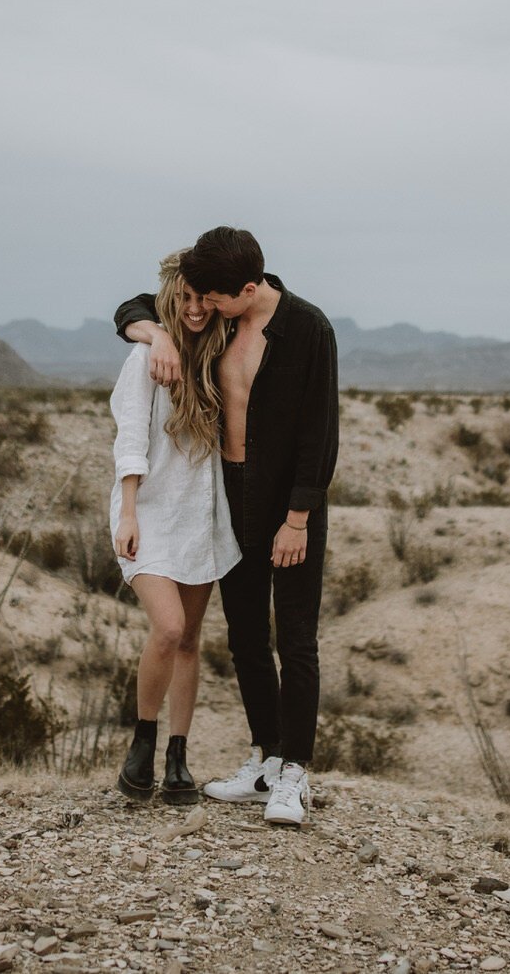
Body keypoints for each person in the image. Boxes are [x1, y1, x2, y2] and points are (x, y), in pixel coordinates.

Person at [114, 226, 338, 827]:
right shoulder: (215, 327)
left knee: (294, 639)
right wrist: (155, 330)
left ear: (244, 288)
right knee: (244, 640)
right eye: (197, 297)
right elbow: (136, 306)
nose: (202, 305)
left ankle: (294, 772)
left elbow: (321, 432)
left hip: (290, 507)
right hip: (228, 499)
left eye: (212, 296)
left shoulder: (308, 329)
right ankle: (263, 759)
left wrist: (298, 519)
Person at [108, 251, 243, 805]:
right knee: (166, 628)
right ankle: (142, 741)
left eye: (201, 299)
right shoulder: (146, 357)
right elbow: (131, 433)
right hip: (151, 512)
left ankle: (178, 757)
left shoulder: (220, 352)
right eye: (182, 299)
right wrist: (129, 510)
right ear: (168, 297)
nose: (193, 310)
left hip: (201, 514)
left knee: (189, 639)